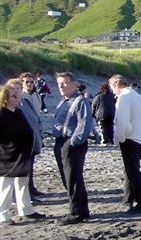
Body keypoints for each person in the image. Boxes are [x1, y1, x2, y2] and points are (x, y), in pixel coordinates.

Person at [0, 85, 46, 225]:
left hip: (23, 153)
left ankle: (26, 209)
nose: (17, 98)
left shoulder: (18, 111)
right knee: (5, 185)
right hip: (7, 155)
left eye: (17, 95)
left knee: (22, 182)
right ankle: (2, 213)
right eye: (14, 96)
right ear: (5, 99)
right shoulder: (2, 114)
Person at [52, 72, 93, 225]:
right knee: (70, 177)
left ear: (74, 84)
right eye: (59, 84)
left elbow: (84, 124)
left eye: (64, 83)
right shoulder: (64, 101)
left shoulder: (80, 101)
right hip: (62, 141)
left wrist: (73, 142)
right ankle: (82, 210)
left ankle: (76, 212)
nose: (61, 86)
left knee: (72, 178)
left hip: (71, 144)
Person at [109, 74, 141, 214]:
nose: (112, 92)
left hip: (130, 138)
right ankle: (128, 198)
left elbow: (122, 121)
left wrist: (119, 138)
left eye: (112, 88)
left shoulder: (124, 97)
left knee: (132, 172)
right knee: (131, 170)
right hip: (140, 137)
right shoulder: (137, 96)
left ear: (116, 85)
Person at [17, 74, 44, 197]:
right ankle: (27, 190)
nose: (29, 84)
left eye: (31, 82)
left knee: (32, 162)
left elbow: (37, 115)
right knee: (25, 164)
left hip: (35, 131)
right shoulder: (20, 97)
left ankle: (31, 187)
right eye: (27, 82)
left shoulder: (36, 96)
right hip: (26, 133)